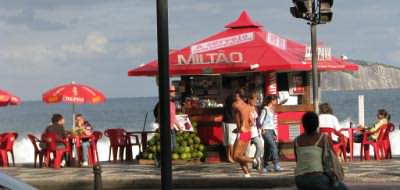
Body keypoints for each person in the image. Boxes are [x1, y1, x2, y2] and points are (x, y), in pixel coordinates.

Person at [294, 112, 348, 190]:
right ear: (317, 124)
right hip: (317, 179)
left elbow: (298, 160)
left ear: (303, 125)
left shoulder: (297, 140)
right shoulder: (323, 138)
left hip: (299, 180)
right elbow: (332, 158)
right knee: (343, 188)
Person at [155, 85, 183, 168]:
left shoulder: (173, 104)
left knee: (173, 147)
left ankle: (160, 157)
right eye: (172, 91)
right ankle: (163, 161)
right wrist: (160, 127)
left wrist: (179, 127)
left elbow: (174, 117)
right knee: (168, 146)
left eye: (174, 91)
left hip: (172, 127)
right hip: (165, 128)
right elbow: (160, 116)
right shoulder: (163, 103)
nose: (174, 92)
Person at [232, 88, 258, 177]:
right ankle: (247, 174)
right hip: (248, 132)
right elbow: (251, 121)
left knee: (235, 156)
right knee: (240, 155)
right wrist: (243, 126)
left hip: (242, 132)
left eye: (235, 95)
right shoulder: (247, 106)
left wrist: (241, 127)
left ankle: (254, 160)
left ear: (238, 95)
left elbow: (241, 116)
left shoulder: (236, 104)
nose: (234, 96)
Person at [258, 95, 281, 173]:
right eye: (275, 100)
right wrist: (262, 129)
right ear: (272, 100)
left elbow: (272, 123)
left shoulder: (273, 110)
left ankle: (265, 166)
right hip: (266, 131)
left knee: (267, 149)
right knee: (274, 147)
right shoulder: (265, 109)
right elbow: (260, 120)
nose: (276, 101)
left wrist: (275, 133)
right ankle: (276, 164)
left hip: (271, 131)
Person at [247, 93, 263, 170]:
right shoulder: (246, 108)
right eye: (254, 100)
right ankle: (246, 168)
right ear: (249, 99)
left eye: (256, 100)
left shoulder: (255, 108)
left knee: (260, 146)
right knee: (246, 151)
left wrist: (259, 128)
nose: (255, 101)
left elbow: (257, 120)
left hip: (254, 132)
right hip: (246, 132)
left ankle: (255, 161)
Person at [222, 92, 237, 163]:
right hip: (232, 123)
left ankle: (229, 157)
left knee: (227, 141)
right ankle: (234, 157)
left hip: (225, 123)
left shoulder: (225, 107)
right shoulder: (233, 106)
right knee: (231, 141)